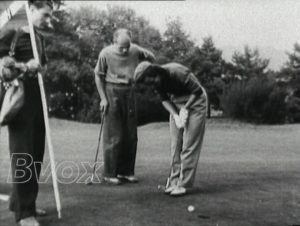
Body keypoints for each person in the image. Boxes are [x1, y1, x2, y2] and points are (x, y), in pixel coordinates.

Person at [0, 1, 53, 225]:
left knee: (36, 153)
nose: (48, 20)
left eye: (51, 16)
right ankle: (24, 214)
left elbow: (43, 66)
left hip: (37, 97)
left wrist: (40, 68)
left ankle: (23, 202)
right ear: (30, 10)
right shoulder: (12, 33)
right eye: (45, 15)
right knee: (23, 154)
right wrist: (24, 67)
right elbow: (3, 65)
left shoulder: (38, 37)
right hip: (19, 99)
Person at [134, 62, 207, 196]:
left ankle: (183, 184)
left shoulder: (177, 71)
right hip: (176, 104)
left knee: (188, 145)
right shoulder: (156, 83)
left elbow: (197, 90)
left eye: (151, 80)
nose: (152, 84)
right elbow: (164, 100)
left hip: (196, 102)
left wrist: (186, 108)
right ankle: (174, 182)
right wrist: (175, 114)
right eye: (148, 83)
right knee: (175, 145)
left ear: (154, 73)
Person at [94, 28, 155, 185]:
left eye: (127, 46)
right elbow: (98, 76)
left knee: (130, 134)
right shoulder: (105, 53)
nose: (125, 50)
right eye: (122, 47)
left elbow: (151, 57)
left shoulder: (134, 49)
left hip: (130, 91)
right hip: (111, 91)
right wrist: (103, 99)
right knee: (114, 135)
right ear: (114, 42)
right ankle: (110, 173)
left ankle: (126, 172)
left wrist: (144, 68)